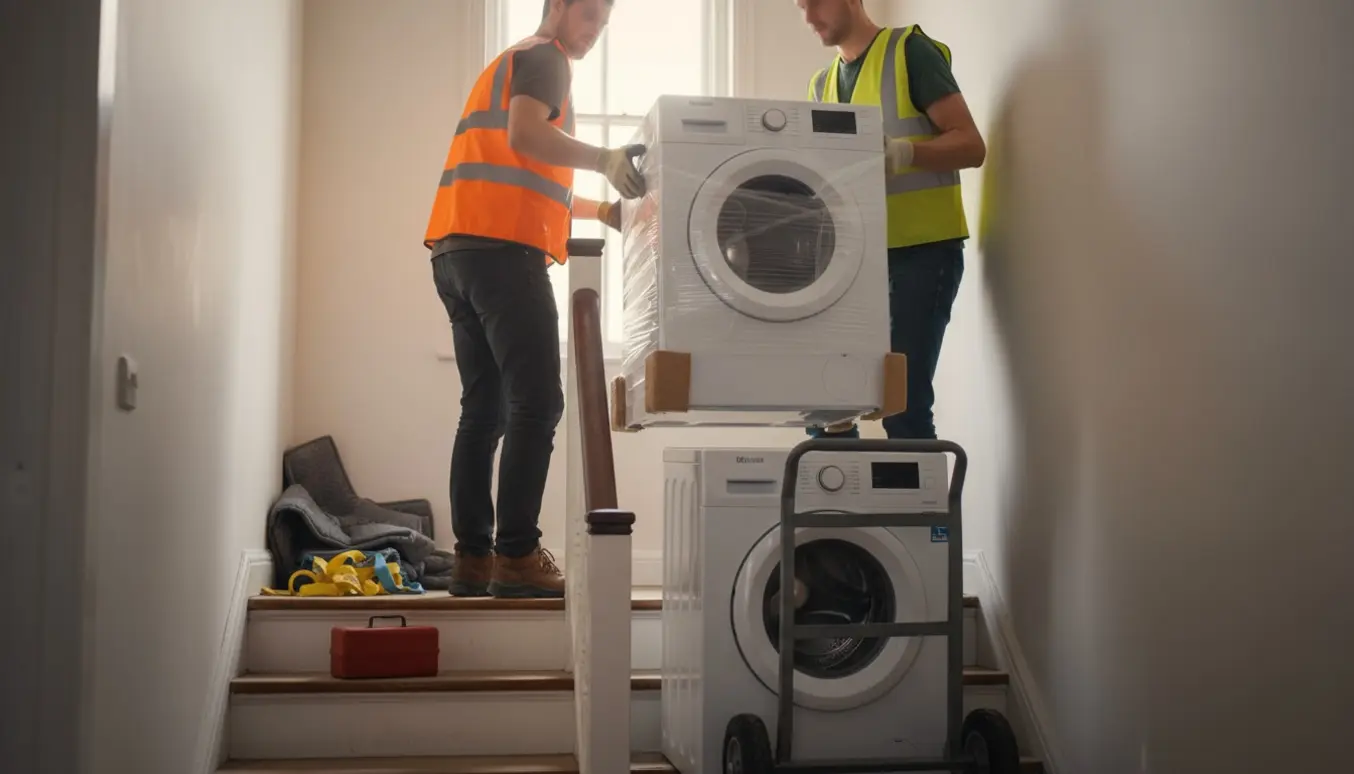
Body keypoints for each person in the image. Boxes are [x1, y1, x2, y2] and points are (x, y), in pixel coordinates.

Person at [423, 0, 641, 598]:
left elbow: (523, 172)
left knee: (484, 410)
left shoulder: (512, 60)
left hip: (457, 251)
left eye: (604, 21)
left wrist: (602, 210)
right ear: (559, 6)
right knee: (538, 402)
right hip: (502, 254)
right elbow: (528, 135)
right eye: (589, 14)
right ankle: (516, 556)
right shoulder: (548, 57)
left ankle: (473, 559)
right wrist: (604, 159)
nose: (596, 30)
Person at [796, 0, 986, 440]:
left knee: (903, 406)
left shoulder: (909, 52)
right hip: (851, 265)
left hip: (922, 254)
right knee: (828, 409)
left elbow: (972, 145)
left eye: (816, 1)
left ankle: (916, 490)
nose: (808, 17)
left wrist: (904, 153)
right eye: (800, 6)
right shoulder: (821, 86)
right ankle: (840, 489)